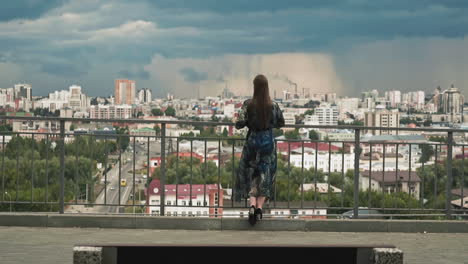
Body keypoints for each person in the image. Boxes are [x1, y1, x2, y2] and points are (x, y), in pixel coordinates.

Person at [234, 74, 285, 225]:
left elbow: (239, 124)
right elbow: (281, 123)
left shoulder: (248, 104)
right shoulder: (273, 105)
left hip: (252, 142)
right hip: (267, 143)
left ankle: (251, 205)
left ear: (254, 87)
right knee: (265, 175)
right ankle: (260, 208)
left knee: (251, 173)